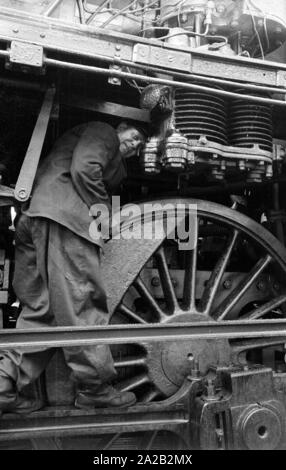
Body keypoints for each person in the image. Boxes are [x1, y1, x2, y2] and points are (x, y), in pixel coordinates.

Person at [0, 120, 148, 414]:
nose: (134, 145)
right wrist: (102, 213)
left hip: (36, 219)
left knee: (42, 312)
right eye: (133, 137)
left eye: (139, 147)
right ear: (119, 127)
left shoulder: (89, 147)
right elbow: (85, 167)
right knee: (81, 301)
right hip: (65, 219)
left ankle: (3, 387)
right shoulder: (102, 131)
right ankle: (94, 388)